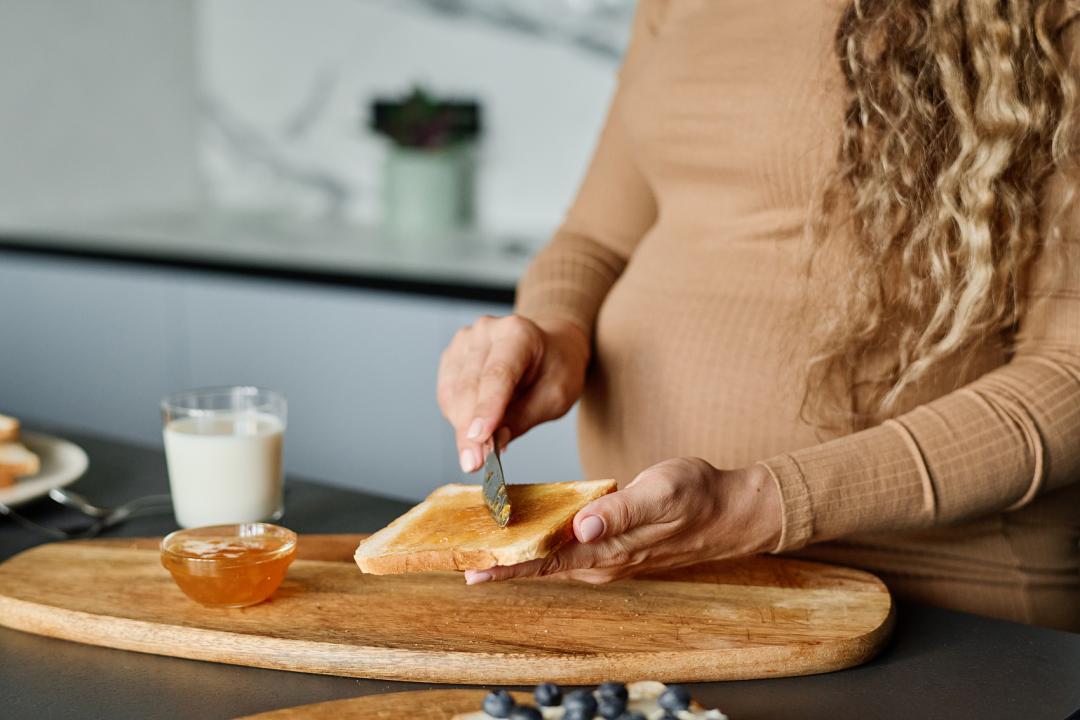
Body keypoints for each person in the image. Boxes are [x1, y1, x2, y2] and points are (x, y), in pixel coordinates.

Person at [437, 0, 1080, 632]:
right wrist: (553, 330)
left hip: (936, 602)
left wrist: (759, 504)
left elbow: (1068, 375)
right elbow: (597, 238)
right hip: (654, 580)